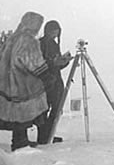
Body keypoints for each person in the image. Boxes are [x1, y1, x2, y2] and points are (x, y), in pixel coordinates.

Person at [0, 12, 50, 151]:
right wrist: (46, 75)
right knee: (24, 113)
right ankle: (20, 142)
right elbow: (33, 62)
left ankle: (20, 140)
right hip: (23, 83)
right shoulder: (29, 40)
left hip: (8, 83)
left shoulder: (12, 38)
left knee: (15, 113)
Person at [37, 20, 72, 144]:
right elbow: (41, 64)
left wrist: (64, 61)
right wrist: (54, 63)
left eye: (57, 31)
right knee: (44, 109)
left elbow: (55, 65)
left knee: (56, 108)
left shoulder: (54, 44)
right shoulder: (41, 44)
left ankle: (48, 135)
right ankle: (44, 137)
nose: (55, 34)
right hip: (46, 81)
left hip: (55, 80)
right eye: (53, 31)